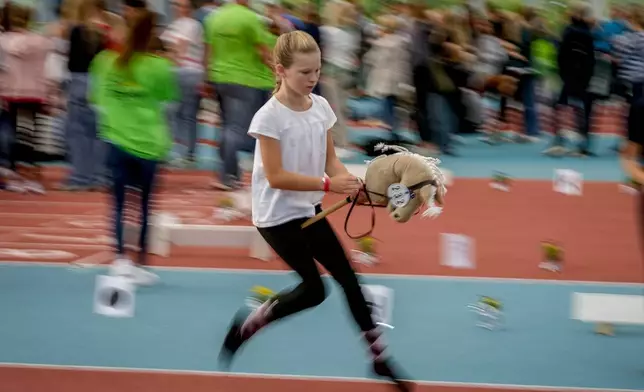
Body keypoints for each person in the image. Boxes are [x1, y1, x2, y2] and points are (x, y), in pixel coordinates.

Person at [218, 31, 413, 392]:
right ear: (280, 70)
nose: (313, 78)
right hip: (276, 218)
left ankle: (379, 359)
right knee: (314, 290)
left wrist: (348, 182)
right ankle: (248, 326)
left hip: (309, 208)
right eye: (304, 72)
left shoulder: (320, 107)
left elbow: (331, 161)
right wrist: (328, 185)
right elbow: (275, 177)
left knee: (351, 281)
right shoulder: (268, 117)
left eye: (317, 71)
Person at [89, 9, 178, 285]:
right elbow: (169, 104)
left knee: (117, 204)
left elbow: (96, 102)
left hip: (117, 140)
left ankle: (119, 259)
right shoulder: (159, 66)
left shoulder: (105, 62)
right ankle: (139, 264)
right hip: (149, 143)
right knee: (144, 206)